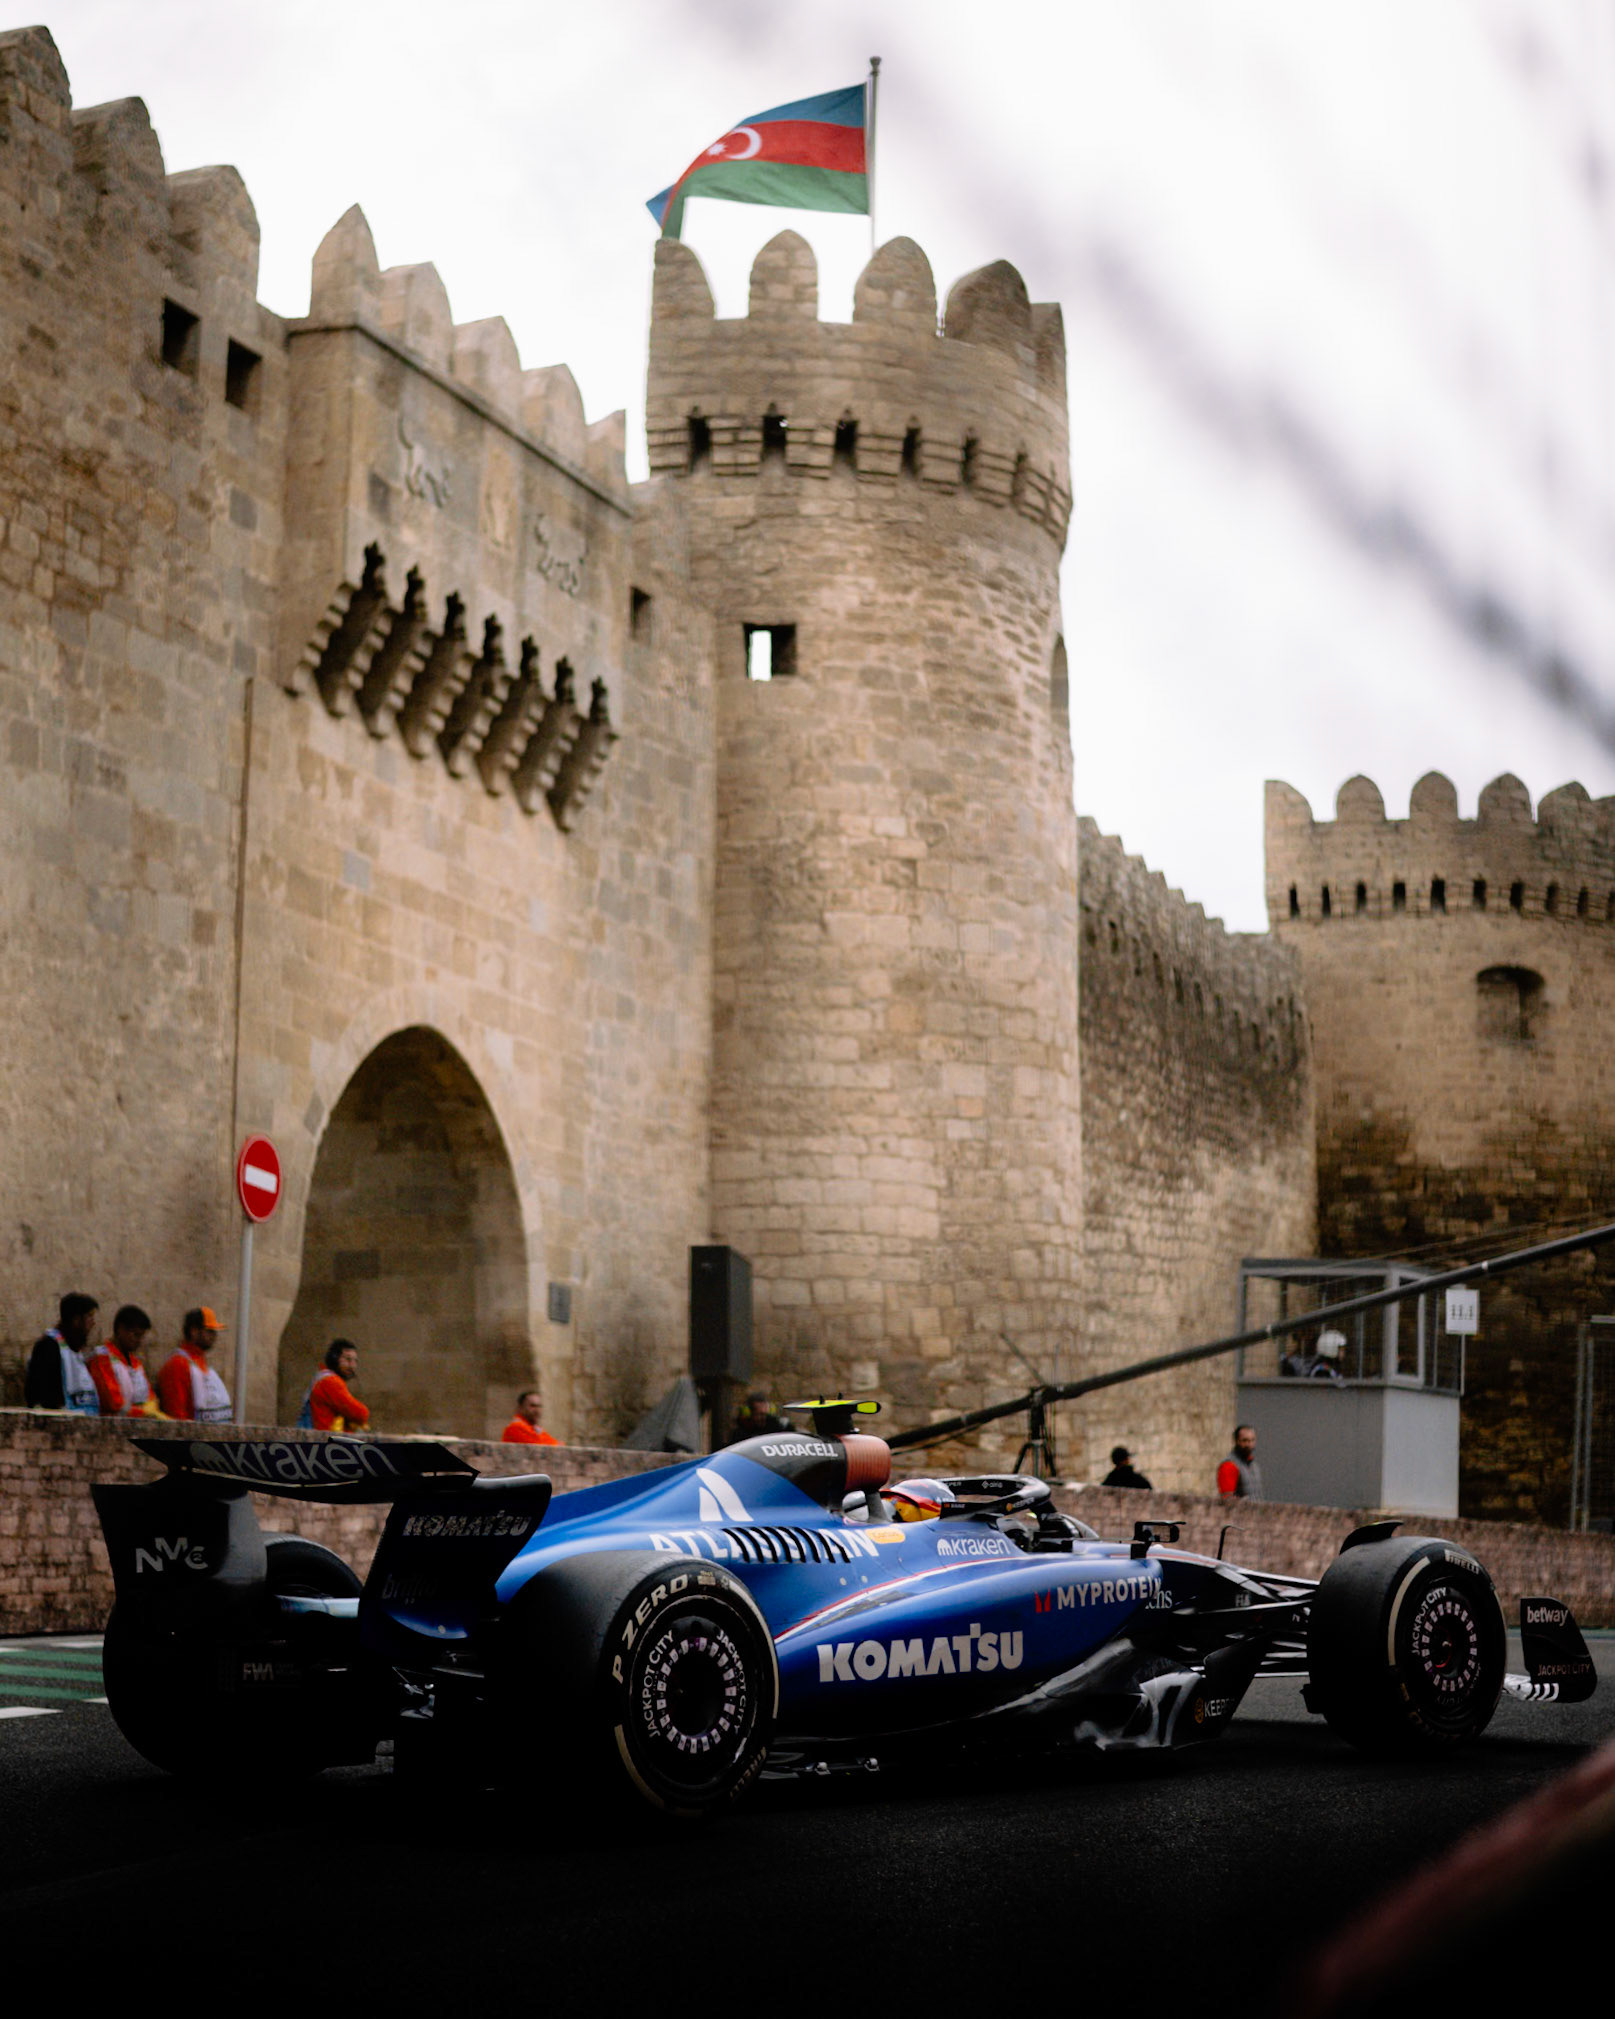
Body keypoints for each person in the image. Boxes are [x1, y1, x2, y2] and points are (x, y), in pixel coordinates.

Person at [25, 1293, 100, 1413]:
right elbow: (43, 1393)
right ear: (76, 1320)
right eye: (89, 1317)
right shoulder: (49, 1346)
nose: (93, 1323)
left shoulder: (75, 1348)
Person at [155, 1307, 232, 1423]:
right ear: (194, 1331)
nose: (214, 1336)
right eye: (210, 1331)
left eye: (215, 1332)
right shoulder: (178, 1364)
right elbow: (176, 1416)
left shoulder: (200, 1362)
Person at [85, 1305, 158, 1416]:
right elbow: (113, 1403)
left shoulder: (136, 1363)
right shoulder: (102, 1358)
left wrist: (151, 1409)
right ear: (120, 1329)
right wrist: (143, 1413)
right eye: (136, 1335)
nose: (139, 1341)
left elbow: (150, 1398)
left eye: (141, 1336)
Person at [296, 1339, 369, 1431]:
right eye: (348, 1359)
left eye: (355, 1361)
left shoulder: (322, 1378)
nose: (352, 1365)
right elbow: (360, 1413)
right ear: (334, 1359)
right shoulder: (330, 1381)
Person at [1217, 1423, 1264, 1500]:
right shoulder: (1229, 1465)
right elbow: (1227, 1499)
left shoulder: (1253, 1465)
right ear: (1237, 1441)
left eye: (1252, 1440)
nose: (1249, 1444)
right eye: (1245, 1440)